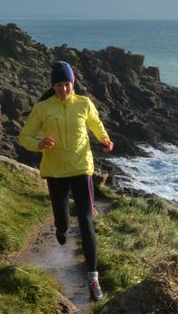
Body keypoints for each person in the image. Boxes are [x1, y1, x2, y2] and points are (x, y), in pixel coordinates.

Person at [19, 61, 114, 301]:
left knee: (86, 218)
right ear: (54, 85)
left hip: (82, 167)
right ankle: (60, 229)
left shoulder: (84, 103)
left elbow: (95, 123)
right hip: (55, 170)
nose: (64, 89)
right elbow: (24, 136)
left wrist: (104, 139)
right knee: (62, 220)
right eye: (60, 85)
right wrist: (39, 144)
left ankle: (93, 277)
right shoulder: (43, 108)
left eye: (67, 84)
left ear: (73, 83)